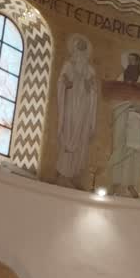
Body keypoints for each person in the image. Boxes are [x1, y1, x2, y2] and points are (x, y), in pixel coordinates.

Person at [56, 35, 99, 187]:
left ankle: (72, 174)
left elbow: (93, 90)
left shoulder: (90, 69)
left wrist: (89, 87)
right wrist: (66, 83)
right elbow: (61, 81)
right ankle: (62, 174)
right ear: (74, 47)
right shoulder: (69, 65)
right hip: (70, 104)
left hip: (83, 107)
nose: (81, 49)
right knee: (69, 133)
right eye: (79, 46)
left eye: (83, 47)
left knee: (80, 137)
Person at [108, 52, 140, 197]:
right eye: (129, 61)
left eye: (133, 61)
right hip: (121, 115)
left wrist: (139, 106)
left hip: (135, 118)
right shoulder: (121, 78)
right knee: (118, 146)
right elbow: (114, 95)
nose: (130, 64)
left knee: (133, 150)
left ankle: (131, 184)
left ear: (138, 63)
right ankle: (116, 182)